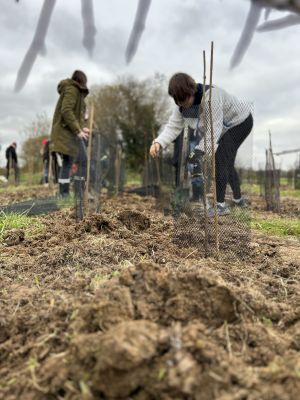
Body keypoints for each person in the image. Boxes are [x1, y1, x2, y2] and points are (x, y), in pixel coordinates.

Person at [149, 72, 253, 216]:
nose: (182, 104)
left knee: (221, 158)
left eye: (185, 99)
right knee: (227, 162)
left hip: (241, 122)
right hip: (225, 129)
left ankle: (220, 206)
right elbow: (173, 127)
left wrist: (198, 151)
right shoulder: (180, 107)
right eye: (178, 101)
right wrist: (158, 143)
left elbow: (213, 130)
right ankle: (238, 199)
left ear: (191, 90)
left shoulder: (211, 96)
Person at [50, 70, 89, 197]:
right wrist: (78, 130)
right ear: (81, 80)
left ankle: (64, 193)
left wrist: (82, 128)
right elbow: (66, 111)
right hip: (67, 134)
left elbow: (74, 115)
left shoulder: (72, 90)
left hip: (68, 132)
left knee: (68, 162)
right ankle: (76, 192)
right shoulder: (72, 89)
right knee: (82, 160)